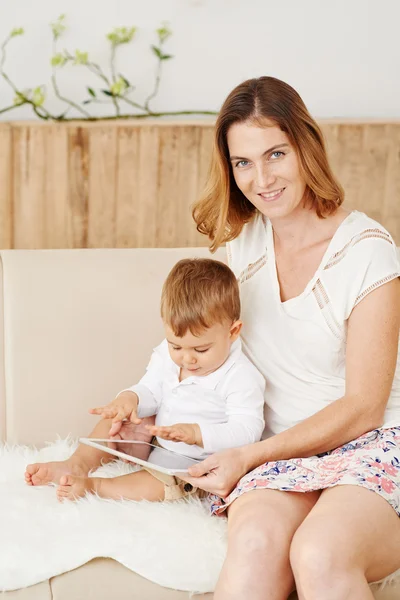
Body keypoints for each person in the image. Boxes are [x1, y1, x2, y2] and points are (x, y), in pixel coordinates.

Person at [181, 76, 400, 599]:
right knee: (255, 543)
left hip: (371, 445)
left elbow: (365, 407)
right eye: (244, 163)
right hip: (282, 455)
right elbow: (216, 353)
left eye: (275, 154)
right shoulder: (242, 248)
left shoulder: (368, 250)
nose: (262, 178)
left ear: (305, 148)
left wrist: (251, 456)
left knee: (319, 553)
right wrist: (161, 407)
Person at [25, 258, 265, 503]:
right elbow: (152, 389)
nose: (187, 359)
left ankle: (97, 486)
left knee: (164, 483)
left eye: (201, 350)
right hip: (153, 444)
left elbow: (248, 430)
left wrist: (197, 433)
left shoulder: (240, 376)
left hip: (196, 465)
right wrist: (131, 398)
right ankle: (76, 464)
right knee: (114, 419)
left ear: (233, 331)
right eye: (176, 346)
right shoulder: (167, 354)